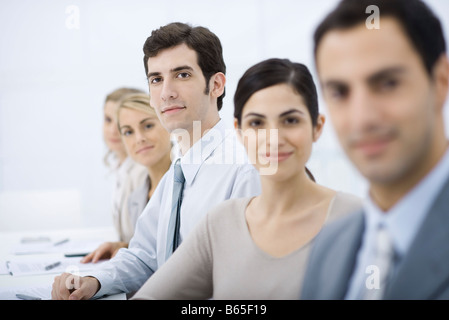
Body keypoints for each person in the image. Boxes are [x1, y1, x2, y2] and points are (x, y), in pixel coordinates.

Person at [51, 22, 261, 300]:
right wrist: (93, 280)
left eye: (182, 74)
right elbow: (146, 256)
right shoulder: (180, 170)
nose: (166, 92)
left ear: (216, 85)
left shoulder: (244, 169)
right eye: (156, 79)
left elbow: (244, 287)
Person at [131, 58, 362, 300]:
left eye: (290, 120)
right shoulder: (221, 222)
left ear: (317, 126)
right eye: (257, 123)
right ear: (239, 132)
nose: (273, 138)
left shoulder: (356, 220)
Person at [300, 0, 449, 300]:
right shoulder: (327, 248)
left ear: (441, 81)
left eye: (388, 83)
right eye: (340, 92)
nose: (362, 119)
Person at [82, 93, 172, 263]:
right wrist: (125, 247)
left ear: (168, 124)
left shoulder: (187, 185)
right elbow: (147, 251)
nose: (139, 139)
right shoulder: (138, 196)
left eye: (148, 126)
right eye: (128, 132)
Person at [102, 87, 148, 246]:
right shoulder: (120, 167)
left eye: (119, 122)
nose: (113, 130)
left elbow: (150, 242)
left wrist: (125, 247)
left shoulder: (143, 171)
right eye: (108, 120)